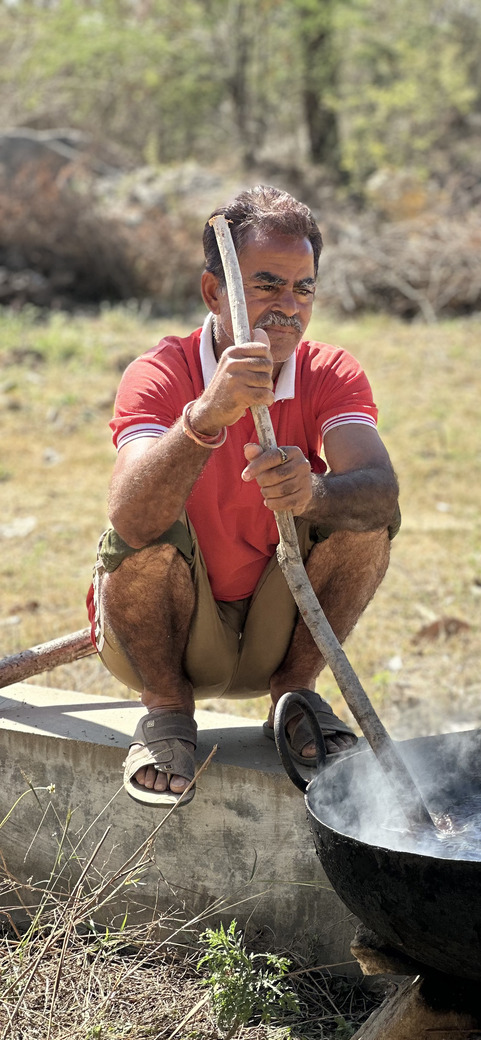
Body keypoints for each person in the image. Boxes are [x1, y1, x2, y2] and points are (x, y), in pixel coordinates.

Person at [87, 185, 400, 807]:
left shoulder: (328, 371)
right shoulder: (159, 374)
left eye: (303, 288)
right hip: (167, 641)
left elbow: (381, 497)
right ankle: (168, 714)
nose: (288, 308)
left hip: (279, 634)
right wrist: (206, 416)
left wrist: (311, 492)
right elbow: (131, 519)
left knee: (362, 519)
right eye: (266, 286)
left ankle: (295, 695)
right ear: (214, 293)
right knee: (138, 541)